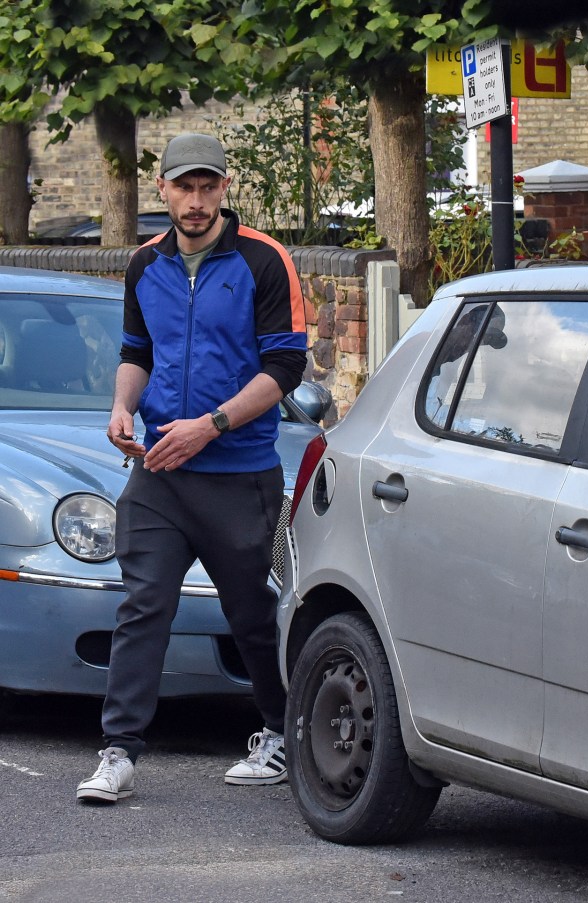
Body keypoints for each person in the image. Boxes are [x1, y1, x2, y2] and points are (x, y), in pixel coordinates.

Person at [76, 133, 308, 803]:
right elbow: (134, 352)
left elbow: (285, 368)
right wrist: (122, 405)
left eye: (208, 187)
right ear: (165, 190)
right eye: (185, 187)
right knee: (143, 603)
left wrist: (211, 426)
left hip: (239, 473)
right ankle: (118, 750)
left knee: (251, 616)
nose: (197, 200)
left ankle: (281, 733)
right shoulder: (143, 265)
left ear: (225, 188)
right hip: (159, 473)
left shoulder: (264, 261)